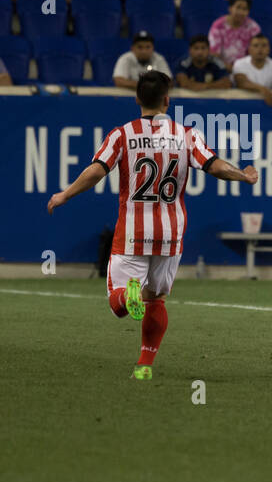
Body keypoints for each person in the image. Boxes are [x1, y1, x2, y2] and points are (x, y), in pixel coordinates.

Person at [46, 71, 258, 381]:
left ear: (136, 99)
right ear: (167, 100)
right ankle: (144, 366)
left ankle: (127, 295)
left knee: (117, 304)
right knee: (156, 299)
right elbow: (214, 165)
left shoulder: (122, 134)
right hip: (171, 234)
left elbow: (97, 170)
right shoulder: (186, 135)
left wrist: (65, 193)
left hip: (133, 232)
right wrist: (244, 175)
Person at [232, 33, 272, 108]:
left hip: (268, 107)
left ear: (269, 49)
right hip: (242, 107)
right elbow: (241, 82)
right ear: (249, 49)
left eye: (264, 46)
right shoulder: (240, 63)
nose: (260, 49)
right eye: (256, 46)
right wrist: (263, 90)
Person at [208, 0, 262, 67]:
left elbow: (257, 51)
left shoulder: (253, 27)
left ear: (248, 12)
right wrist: (227, 68)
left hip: (247, 68)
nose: (241, 12)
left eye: (244, 9)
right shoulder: (218, 26)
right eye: (238, 7)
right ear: (230, 8)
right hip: (223, 68)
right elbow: (214, 55)